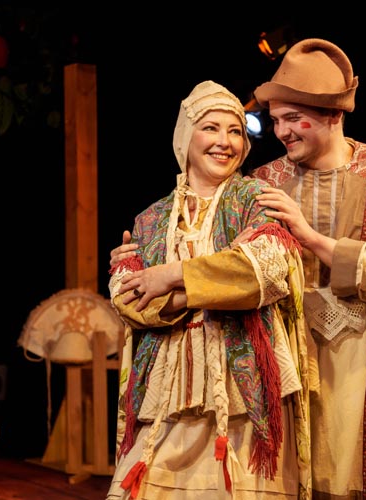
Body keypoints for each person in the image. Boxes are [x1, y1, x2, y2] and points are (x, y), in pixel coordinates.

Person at [110, 40, 366, 500]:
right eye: (274, 120)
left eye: (293, 118)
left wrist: (312, 239)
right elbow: (223, 267)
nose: (281, 132)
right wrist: (145, 267)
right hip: (289, 359)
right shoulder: (264, 181)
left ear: (333, 114)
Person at [106, 80, 312, 499]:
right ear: (186, 136)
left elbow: (263, 272)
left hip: (241, 391)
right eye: (211, 128)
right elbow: (127, 299)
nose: (224, 141)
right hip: (166, 389)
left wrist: (170, 276)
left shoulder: (256, 199)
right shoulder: (151, 219)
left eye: (235, 131)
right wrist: (210, 285)